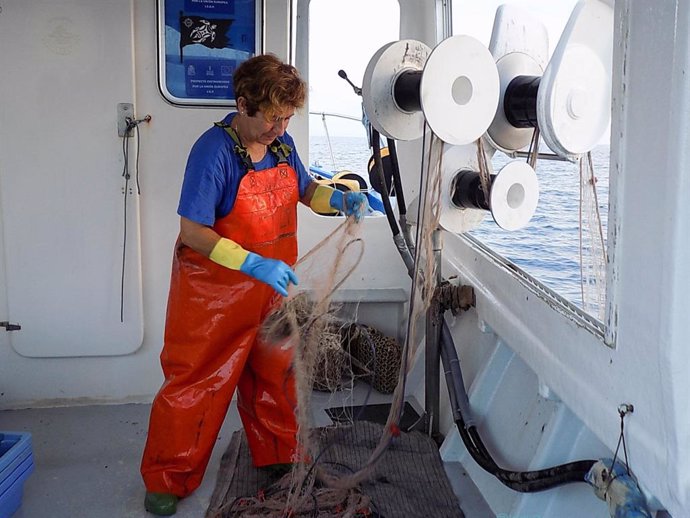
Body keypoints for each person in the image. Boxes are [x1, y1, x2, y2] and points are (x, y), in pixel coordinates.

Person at [140, 54, 368, 516]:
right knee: (196, 385)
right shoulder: (214, 150)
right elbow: (193, 232)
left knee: (276, 375)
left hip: (268, 295)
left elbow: (306, 190)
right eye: (272, 118)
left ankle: (279, 457)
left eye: (287, 118)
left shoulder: (282, 148)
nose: (280, 129)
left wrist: (339, 198)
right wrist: (254, 264)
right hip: (212, 297)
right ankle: (169, 476)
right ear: (243, 104)